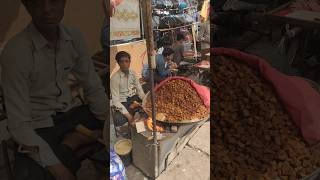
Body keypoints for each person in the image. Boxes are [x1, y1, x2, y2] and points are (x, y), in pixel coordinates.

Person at [0, 0, 107, 179]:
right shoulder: (16, 52)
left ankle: (71, 144)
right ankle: (71, 144)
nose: (47, 9)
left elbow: (93, 87)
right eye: (37, 3)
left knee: (123, 126)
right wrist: (59, 169)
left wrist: (109, 124)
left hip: (73, 113)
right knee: (31, 175)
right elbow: (18, 124)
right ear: (27, 6)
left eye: (54, 1)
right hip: (39, 125)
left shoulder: (74, 37)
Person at [110, 51, 146, 129]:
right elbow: (115, 101)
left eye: (126, 61)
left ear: (130, 62)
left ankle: (138, 121)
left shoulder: (132, 73)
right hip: (123, 101)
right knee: (118, 120)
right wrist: (128, 116)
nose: (124, 64)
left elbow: (139, 89)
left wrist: (145, 101)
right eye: (121, 62)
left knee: (148, 107)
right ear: (118, 63)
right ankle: (133, 115)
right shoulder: (114, 78)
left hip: (133, 97)